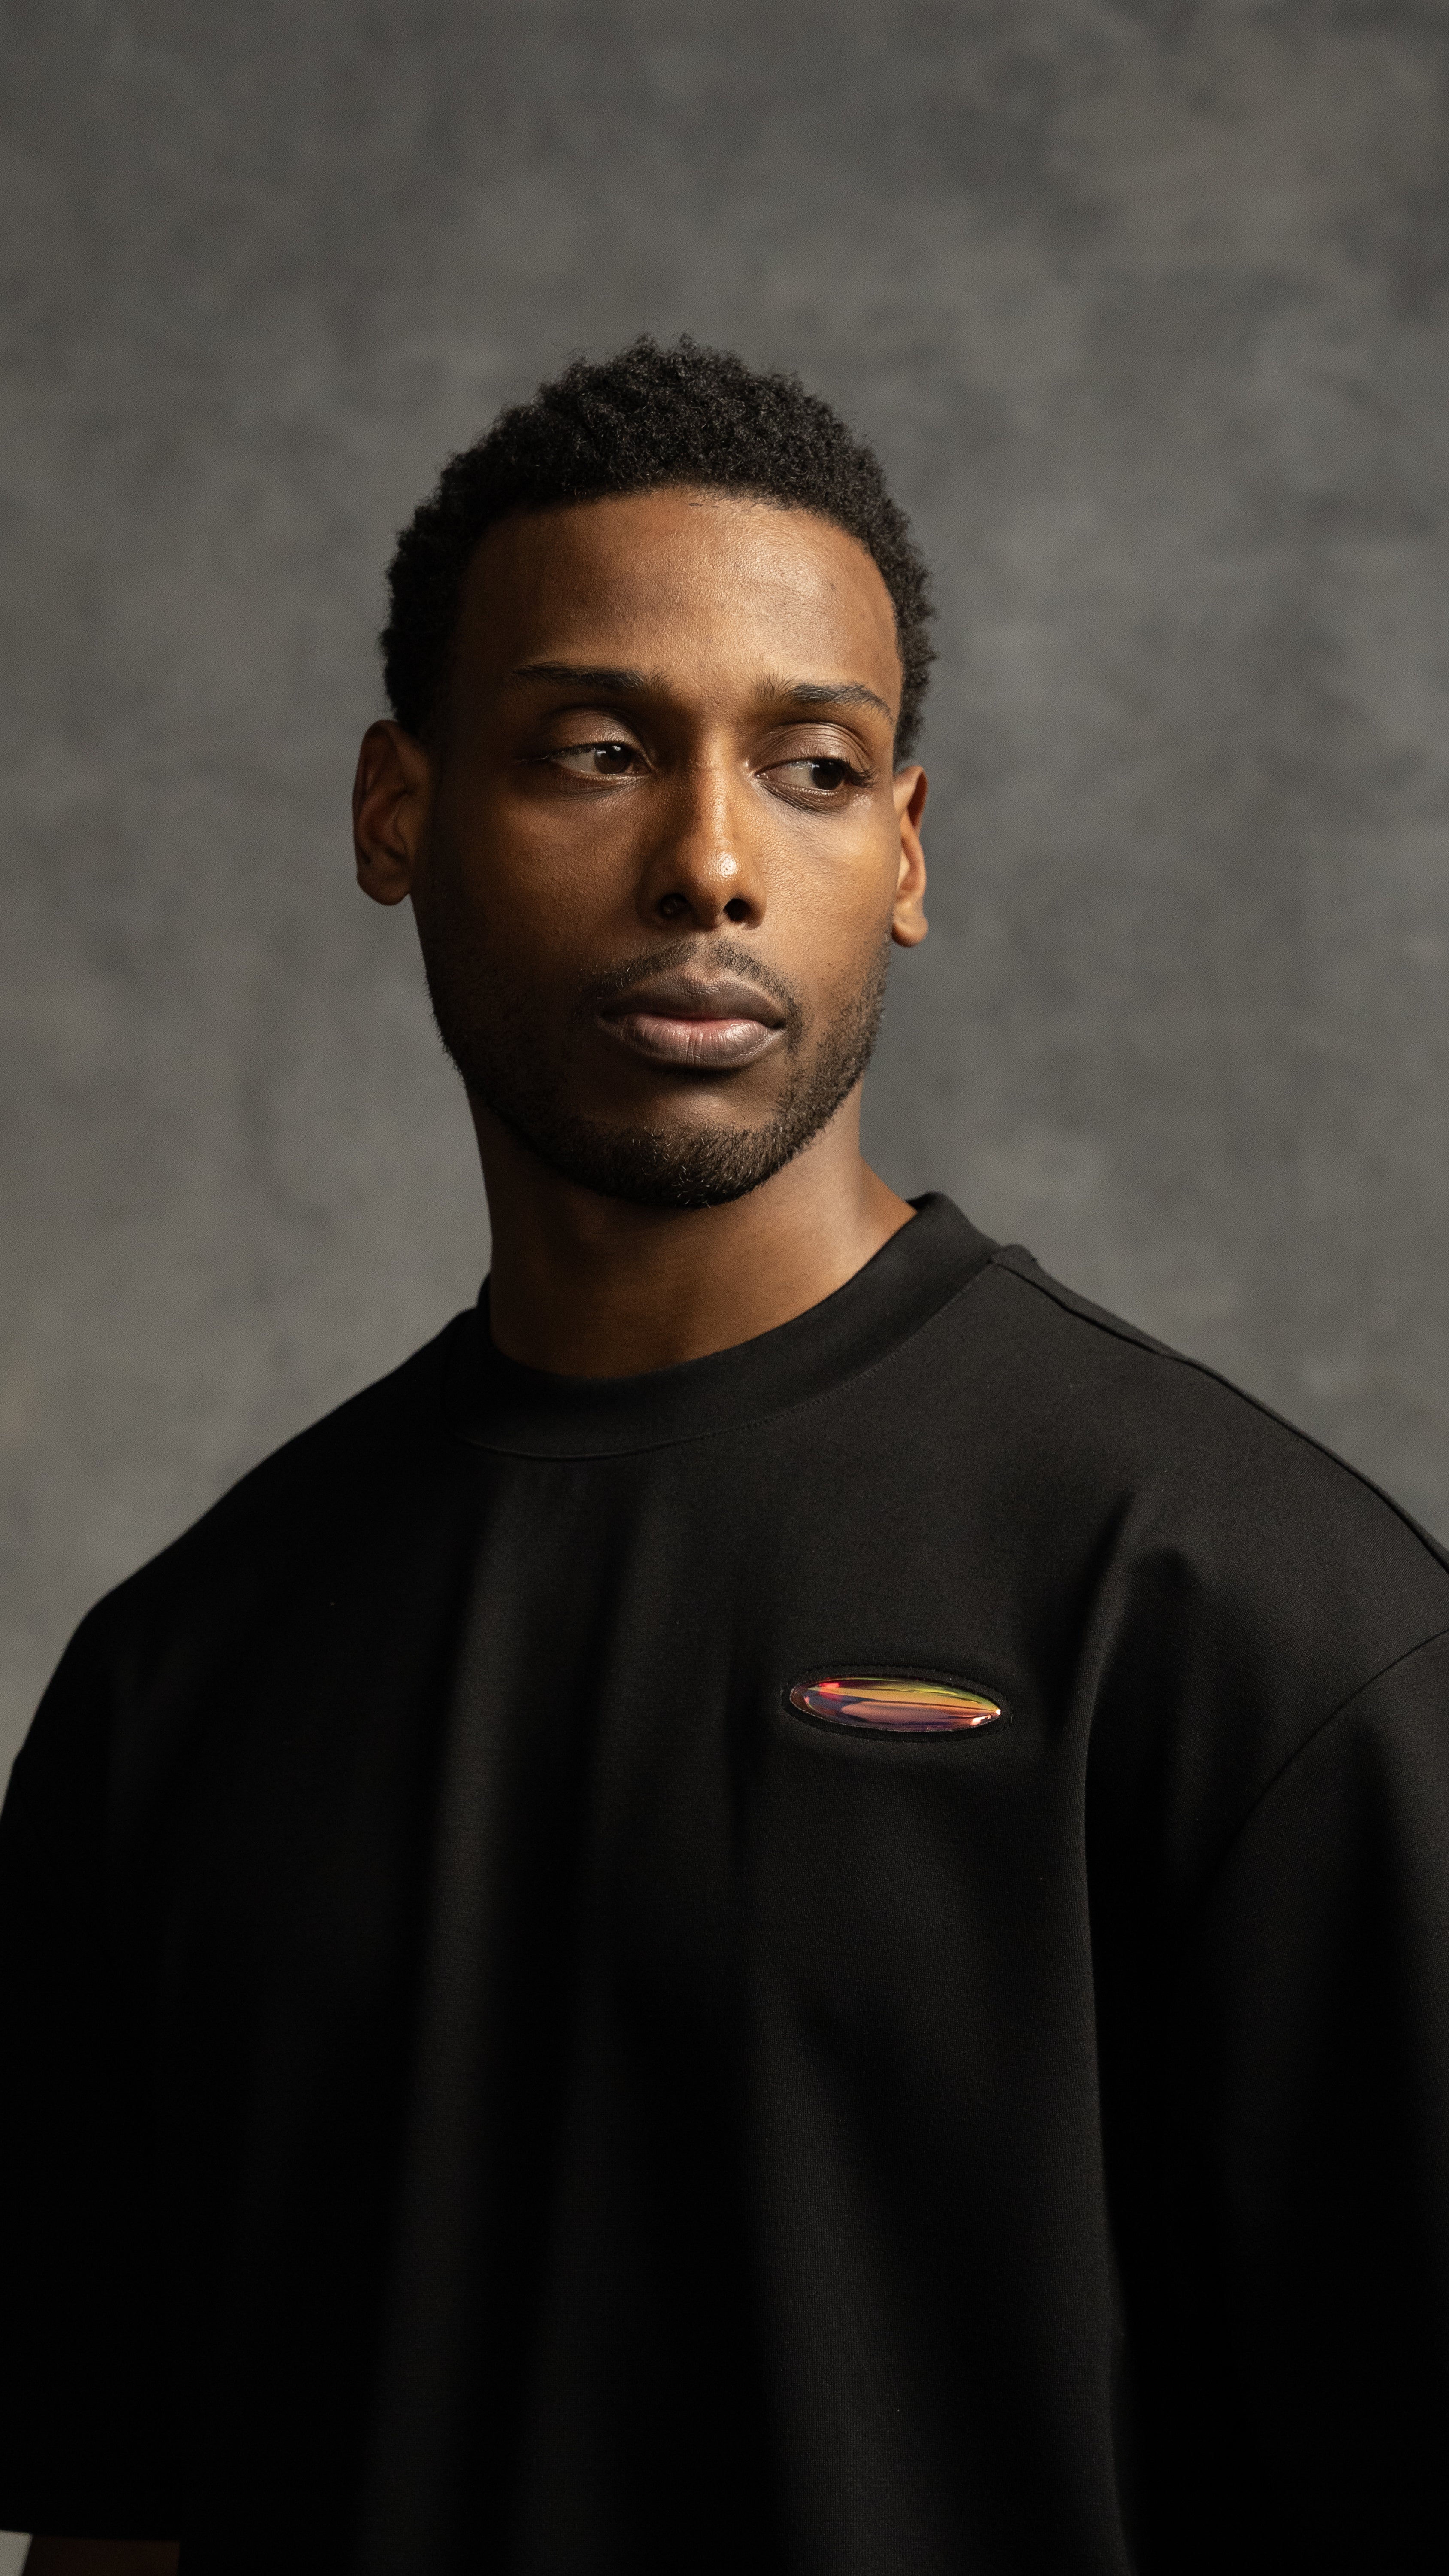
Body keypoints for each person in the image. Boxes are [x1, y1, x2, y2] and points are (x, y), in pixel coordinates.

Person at [1, 337, 1446, 2576]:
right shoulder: (180, 1681)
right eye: (597, 751)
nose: (710, 861)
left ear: (905, 852)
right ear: (397, 814)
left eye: (811, 767)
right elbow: (116, 2529)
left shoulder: (1255, 1628)